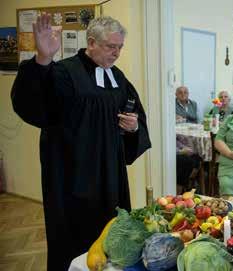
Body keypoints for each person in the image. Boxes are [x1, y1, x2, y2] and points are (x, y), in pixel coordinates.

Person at [11, 14, 151, 271]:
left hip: (109, 175)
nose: (117, 53)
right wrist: (43, 59)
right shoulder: (65, 72)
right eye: (111, 46)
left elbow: (134, 116)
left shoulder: (117, 77)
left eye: (120, 47)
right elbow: (33, 104)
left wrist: (134, 126)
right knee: (76, 241)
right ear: (91, 42)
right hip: (72, 177)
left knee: (111, 236)